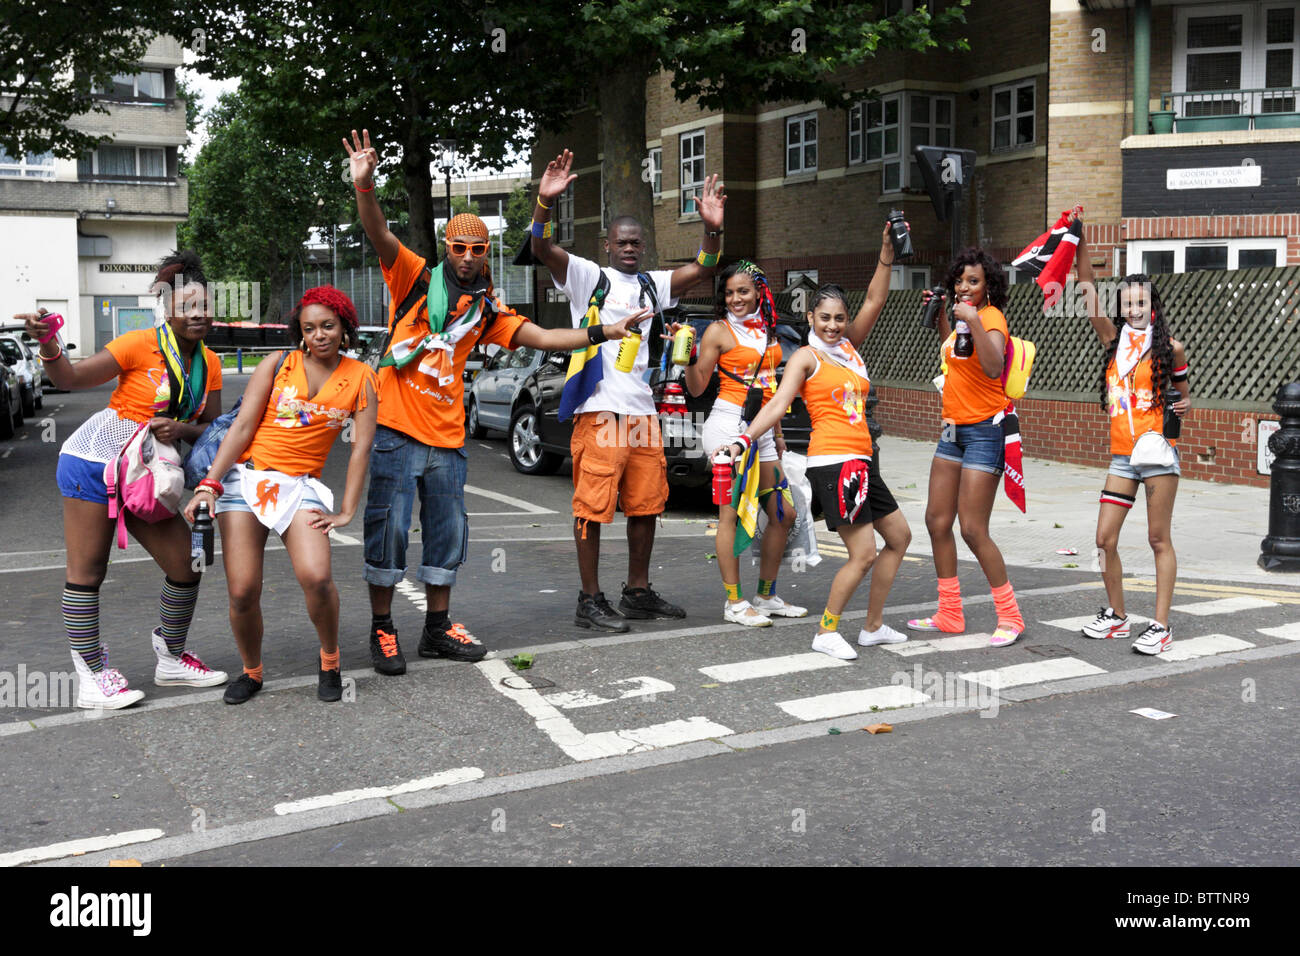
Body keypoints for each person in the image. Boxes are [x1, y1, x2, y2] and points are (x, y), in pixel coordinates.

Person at [343, 130, 641, 669]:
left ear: (486, 255)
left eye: (478, 250)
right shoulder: (413, 275)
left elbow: (548, 338)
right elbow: (378, 230)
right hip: (394, 431)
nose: (468, 257)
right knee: (386, 529)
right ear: (447, 248)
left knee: (446, 534)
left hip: (447, 438)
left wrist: (606, 331)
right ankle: (383, 628)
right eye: (459, 248)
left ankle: (437, 628)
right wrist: (364, 186)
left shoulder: (488, 311)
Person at [19, 252, 228, 709]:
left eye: (205, 306)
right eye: (187, 306)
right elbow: (70, 379)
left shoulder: (210, 362)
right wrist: (50, 343)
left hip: (149, 476)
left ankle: (171, 659)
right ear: (168, 310)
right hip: (96, 463)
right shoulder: (137, 344)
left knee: (186, 565)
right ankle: (91, 674)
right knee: (87, 573)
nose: (198, 315)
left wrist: (182, 431)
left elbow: (210, 430)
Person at [530, 148, 725, 632]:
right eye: (623, 242)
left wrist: (712, 229)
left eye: (637, 242)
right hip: (600, 412)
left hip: (641, 414)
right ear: (608, 245)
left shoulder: (653, 285)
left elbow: (704, 268)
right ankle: (589, 598)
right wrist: (544, 204)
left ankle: (636, 592)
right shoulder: (586, 276)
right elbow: (540, 249)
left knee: (646, 503)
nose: (631, 248)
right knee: (592, 507)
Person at [714, 239, 913, 658]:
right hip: (835, 463)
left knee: (900, 537)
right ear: (811, 317)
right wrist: (742, 439)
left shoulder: (848, 348)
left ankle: (873, 626)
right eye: (825, 318)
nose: (834, 325)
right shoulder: (807, 357)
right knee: (863, 553)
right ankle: (826, 632)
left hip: (862, 460)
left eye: (840, 318)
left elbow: (876, 298)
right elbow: (777, 404)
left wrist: (885, 254)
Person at [183, 287, 379, 704]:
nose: (319, 335)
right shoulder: (278, 363)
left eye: (328, 325)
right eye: (309, 328)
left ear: (344, 326)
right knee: (242, 589)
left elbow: (361, 446)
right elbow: (241, 428)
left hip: (300, 487)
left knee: (317, 576)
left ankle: (329, 660)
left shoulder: (362, 377)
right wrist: (209, 484)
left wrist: (346, 510)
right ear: (300, 332)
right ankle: (251, 672)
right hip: (246, 482)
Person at [1075, 220, 1189, 655]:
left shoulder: (1170, 348)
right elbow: (1086, 290)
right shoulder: (1113, 338)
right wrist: (1080, 240)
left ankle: (1161, 626)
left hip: (1158, 453)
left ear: (1152, 305)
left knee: (1158, 539)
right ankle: (1118, 617)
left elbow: (1183, 397)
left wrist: (1184, 407)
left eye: (1141, 302)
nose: (1134, 310)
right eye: (1127, 304)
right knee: (1104, 540)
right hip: (1123, 455)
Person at [908, 247, 1027, 646]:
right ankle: (950, 613)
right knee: (937, 522)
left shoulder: (991, 318)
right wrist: (944, 317)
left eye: (973, 281)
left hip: (984, 432)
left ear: (988, 285)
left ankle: (1010, 616)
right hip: (952, 431)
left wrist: (974, 318)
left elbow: (993, 365)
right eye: (959, 280)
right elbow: (955, 355)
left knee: (973, 529)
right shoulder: (964, 318)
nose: (964, 287)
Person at [687, 260, 804, 626]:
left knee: (784, 514)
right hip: (727, 428)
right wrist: (688, 355)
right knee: (732, 516)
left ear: (759, 292)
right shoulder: (718, 332)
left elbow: (772, 389)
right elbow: (696, 387)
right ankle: (734, 603)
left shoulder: (768, 330)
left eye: (743, 291)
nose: (736, 299)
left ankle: (765, 595)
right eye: (729, 293)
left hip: (762, 430)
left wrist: (779, 434)